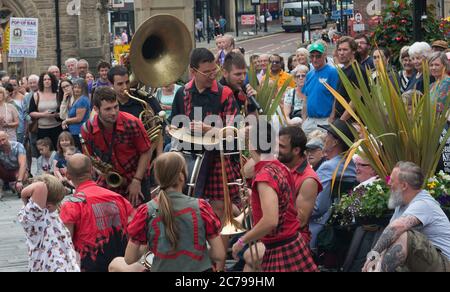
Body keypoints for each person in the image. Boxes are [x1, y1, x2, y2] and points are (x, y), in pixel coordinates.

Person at [109, 152, 226, 272]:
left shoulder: (146, 211)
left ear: (158, 178)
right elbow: (219, 255)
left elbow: (129, 259)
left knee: (115, 263)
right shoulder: (201, 207)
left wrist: (148, 249)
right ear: (182, 177)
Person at [232, 120, 318, 272]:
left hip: (282, 247)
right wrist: (255, 199)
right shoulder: (281, 167)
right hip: (290, 244)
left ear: (251, 146)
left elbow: (271, 220)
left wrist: (241, 240)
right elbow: (282, 204)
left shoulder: (265, 175)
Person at [169, 48, 240, 221]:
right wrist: (171, 129)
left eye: (214, 70)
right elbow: (174, 124)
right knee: (186, 209)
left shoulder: (225, 93)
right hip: (189, 158)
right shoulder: (182, 93)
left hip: (217, 160)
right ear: (193, 72)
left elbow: (233, 132)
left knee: (219, 209)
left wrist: (208, 130)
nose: (212, 76)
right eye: (206, 72)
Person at [363, 162, 450, 272]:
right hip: (422, 264)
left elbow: (395, 228)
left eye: (392, 180)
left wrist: (373, 255)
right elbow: (389, 240)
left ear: (404, 186)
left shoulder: (423, 203)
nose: (388, 183)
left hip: (444, 265)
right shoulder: (401, 205)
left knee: (403, 234)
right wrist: (373, 265)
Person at [60, 154, 134, 272]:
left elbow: (64, 244)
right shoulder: (118, 198)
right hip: (121, 265)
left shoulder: (71, 205)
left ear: (68, 175)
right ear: (91, 170)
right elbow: (135, 231)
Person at [80, 87, 152, 206]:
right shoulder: (88, 130)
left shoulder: (132, 122)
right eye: (108, 109)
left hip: (136, 175)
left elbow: (146, 152)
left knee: (142, 217)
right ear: (96, 109)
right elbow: (90, 157)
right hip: (111, 177)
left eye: (116, 106)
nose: (113, 112)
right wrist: (100, 171)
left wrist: (137, 180)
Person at [309, 120, 357, 248]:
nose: (325, 137)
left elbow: (317, 207)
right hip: (341, 228)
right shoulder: (351, 165)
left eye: (328, 134)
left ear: (335, 142)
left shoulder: (328, 167)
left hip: (319, 230)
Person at [18, 174, 80, 272]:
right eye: (58, 203)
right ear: (49, 206)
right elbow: (40, 186)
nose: (60, 205)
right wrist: (23, 195)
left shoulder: (49, 213)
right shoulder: (35, 217)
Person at [278, 126, 322, 244]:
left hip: (294, 239)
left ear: (296, 150)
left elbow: (300, 221)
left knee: (250, 256)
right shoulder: (280, 166)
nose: (277, 150)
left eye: (282, 146)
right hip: (277, 231)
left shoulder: (309, 180)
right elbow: (246, 172)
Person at [302, 42, 339, 135]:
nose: (314, 59)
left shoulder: (332, 72)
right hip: (309, 121)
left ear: (324, 55)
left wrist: (331, 118)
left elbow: (336, 97)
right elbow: (306, 98)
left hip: (325, 121)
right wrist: (304, 119)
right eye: (312, 56)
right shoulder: (309, 74)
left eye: (318, 56)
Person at [335, 36, 369, 121]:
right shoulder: (342, 70)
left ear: (353, 51)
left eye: (345, 50)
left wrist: (341, 121)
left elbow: (355, 101)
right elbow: (337, 96)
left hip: (352, 121)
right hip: (339, 117)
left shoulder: (357, 70)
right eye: (339, 50)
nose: (341, 53)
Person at [29, 72, 62, 149]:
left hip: (56, 127)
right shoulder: (36, 95)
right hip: (42, 129)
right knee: (44, 151)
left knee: (58, 150)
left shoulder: (58, 94)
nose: (47, 81)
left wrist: (57, 114)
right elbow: (31, 112)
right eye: (45, 79)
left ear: (52, 81)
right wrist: (44, 114)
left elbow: (63, 110)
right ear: (41, 81)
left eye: (49, 79)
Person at [61, 78, 91, 149]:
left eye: (79, 88)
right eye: (75, 87)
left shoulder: (82, 100)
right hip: (74, 132)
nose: (76, 90)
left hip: (79, 132)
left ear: (83, 89)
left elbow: (78, 119)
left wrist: (66, 121)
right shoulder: (77, 99)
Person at [0, 131, 27, 198]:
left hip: (17, 171)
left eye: (3, 139)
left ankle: (18, 185)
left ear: (8, 137)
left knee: (20, 174)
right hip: (5, 171)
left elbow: (23, 164)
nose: (2, 143)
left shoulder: (18, 146)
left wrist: (19, 181)